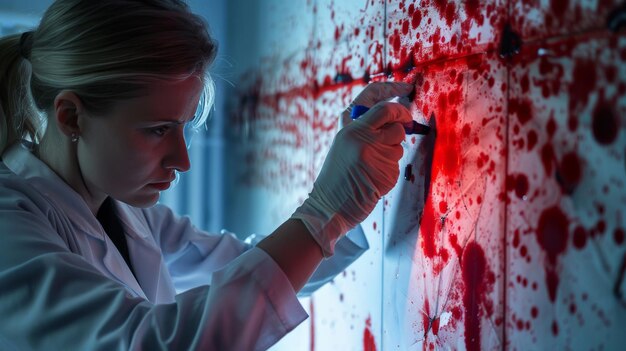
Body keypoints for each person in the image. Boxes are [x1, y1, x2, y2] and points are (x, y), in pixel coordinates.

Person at [0, 0, 414, 350]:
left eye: (182, 127)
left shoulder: (126, 210)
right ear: (71, 117)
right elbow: (149, 342)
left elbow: (249, 270)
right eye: (158, 130)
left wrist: (346, 201)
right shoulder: (11, 225)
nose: (182, 161)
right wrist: (324, 212)